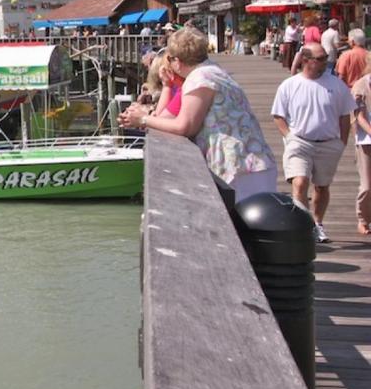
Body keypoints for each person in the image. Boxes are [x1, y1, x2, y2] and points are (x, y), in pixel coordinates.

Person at [119, 26, 276, 203]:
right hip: (251, 163)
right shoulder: (212, 70)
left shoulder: (199, 79)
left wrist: (143, 119)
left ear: (176, 60)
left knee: (242, 226)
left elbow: (185, 126)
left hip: (241, 167)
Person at [272, 43, 356, 243]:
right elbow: (278, 115)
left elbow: (345, 115)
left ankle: (318, 223)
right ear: (306, 60)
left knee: (322, 187)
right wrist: (289, 136)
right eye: (320, 58)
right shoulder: (290, 85)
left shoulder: (336, 85)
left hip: (328, 143)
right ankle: (303, 226)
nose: (325, 62)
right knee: (300, 182)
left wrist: (342, 142)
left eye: (325, 57)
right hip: (299, 141)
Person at [350, 61, 371, 235]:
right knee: (367, 186)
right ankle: (363, 219)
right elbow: (359, 117)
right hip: (366, 142)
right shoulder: (361, 86)